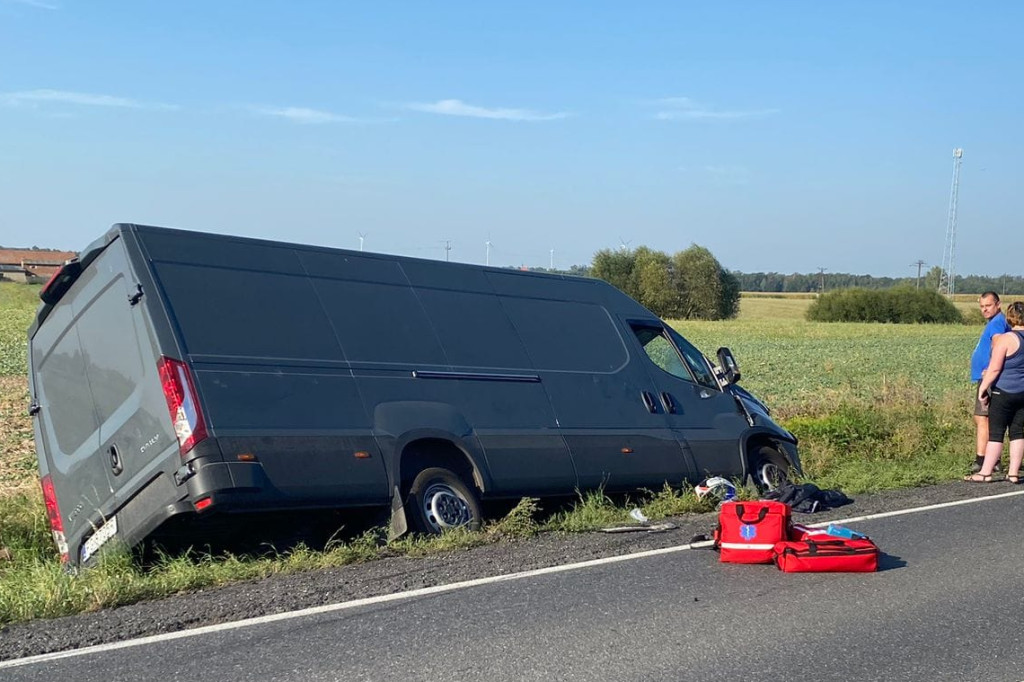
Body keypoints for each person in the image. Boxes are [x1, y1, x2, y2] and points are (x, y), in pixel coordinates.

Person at [965, 301, 1024, 483]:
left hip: (1003, 391)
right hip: (1022, 392)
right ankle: (1013, 473)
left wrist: (983, 388)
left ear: (1010, 317)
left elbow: (995, 369)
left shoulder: (1006, 339)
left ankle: (985, 472)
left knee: (996, 433)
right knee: (1017, 432)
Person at [969, 291, 1011, 473]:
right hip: (986, 375)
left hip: (989, 377)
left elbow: (997, 343)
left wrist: (991, 368)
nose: (984, 309)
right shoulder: (996, 322)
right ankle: (993, 459)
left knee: (982, 418)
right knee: (984, 417)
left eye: (988, 306)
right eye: (982, 306)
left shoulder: (997, 324)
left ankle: (983, 459)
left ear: (998, 305)